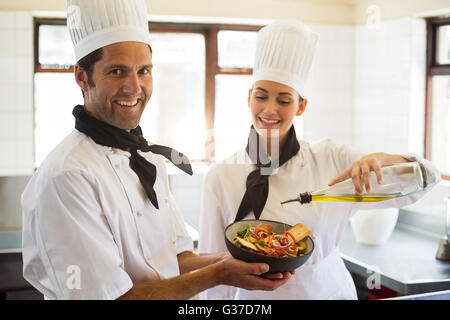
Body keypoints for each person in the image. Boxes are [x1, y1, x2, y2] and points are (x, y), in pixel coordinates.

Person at [20, 0, 293, 300]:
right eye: (116, 71)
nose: (134, 87)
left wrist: (225, 261)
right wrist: (217, 275)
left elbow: (175, 260)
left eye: (144, 70)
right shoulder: (67, 176)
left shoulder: (149, 160)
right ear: (82, 77)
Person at [198, 20, 441, 300]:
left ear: (301, 106)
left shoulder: (331, 158)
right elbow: (214, 270)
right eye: (261, 96)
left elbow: (427, 180)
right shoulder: (221, 175)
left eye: (284, 100)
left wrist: (389, 159)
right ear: (248, 98)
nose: (269, 109)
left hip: (326, 293)